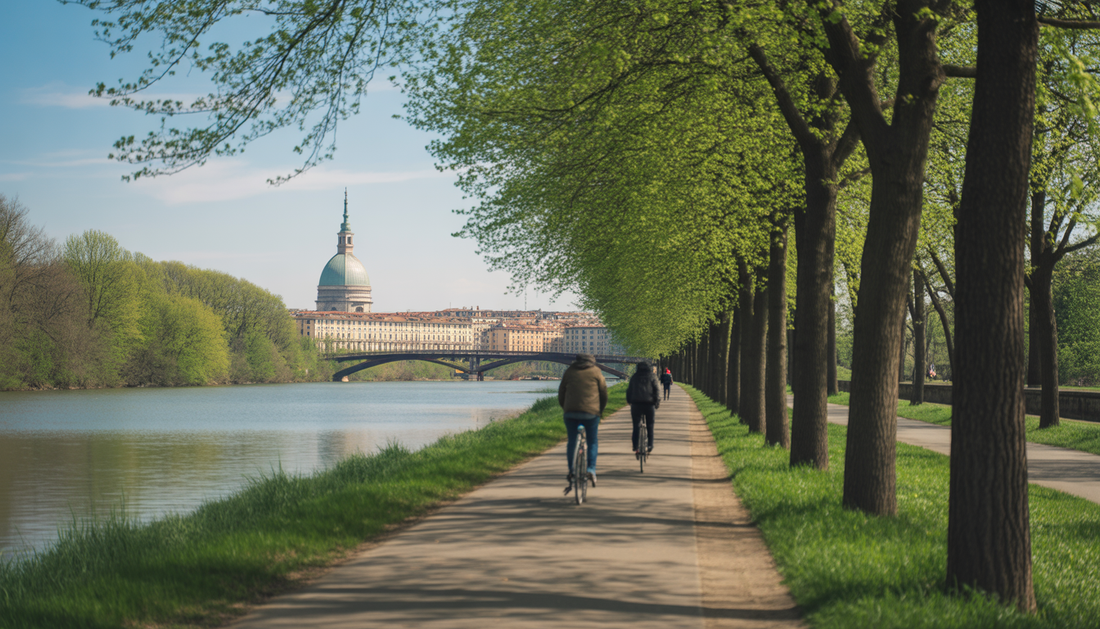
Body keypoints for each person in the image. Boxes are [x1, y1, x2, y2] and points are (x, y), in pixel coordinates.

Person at [558, 353, 608, 488]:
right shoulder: (596, 372)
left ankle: (572, 471)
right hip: (591, 413)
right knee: (592, 441)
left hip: (570, 412)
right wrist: (600, 410)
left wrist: (565, 408)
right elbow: (603, 393)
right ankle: (591, 469)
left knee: (572, 441)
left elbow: (561, 392)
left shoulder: (569, 371)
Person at [626, 361, 661, 456]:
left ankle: (635, 446)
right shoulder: (652, 376)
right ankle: (650, 445)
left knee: (636, 425)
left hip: (636, 404)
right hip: (649, 404)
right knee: (650, 425)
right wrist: (657, 402)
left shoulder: (634, 377)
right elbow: (657, 390)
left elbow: (629, 390)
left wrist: (629, 401)